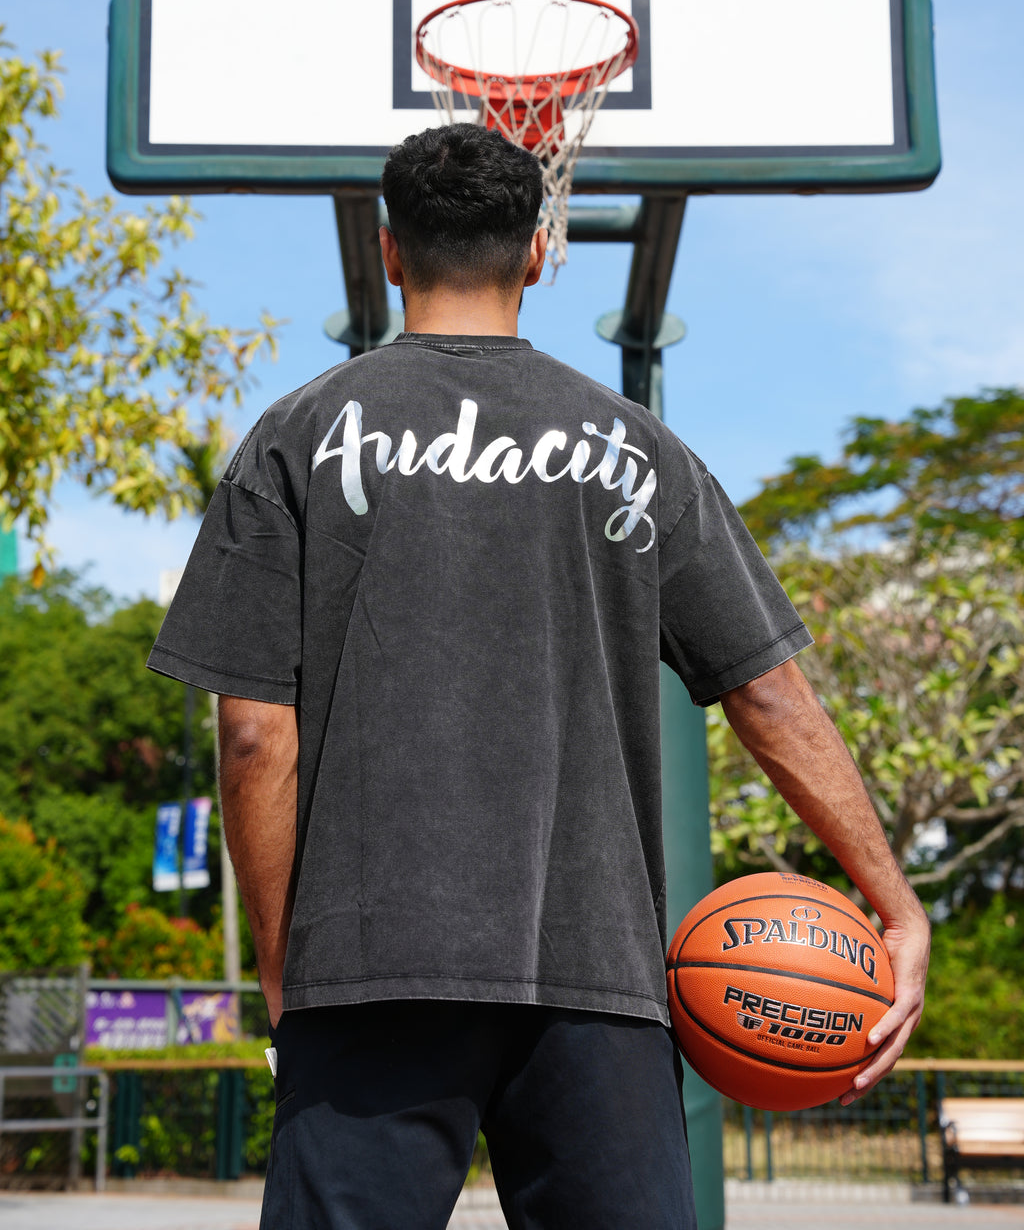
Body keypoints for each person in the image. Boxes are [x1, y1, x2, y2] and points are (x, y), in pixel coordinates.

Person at [147, 122, 930, 1230]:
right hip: (595, 977)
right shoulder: (636, 447)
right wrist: (893, 904)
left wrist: (290, 972)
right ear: (538, 250)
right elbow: (766, 692)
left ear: (388, 252)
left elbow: (253, 738)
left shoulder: (295, 435)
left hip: (369, 967)